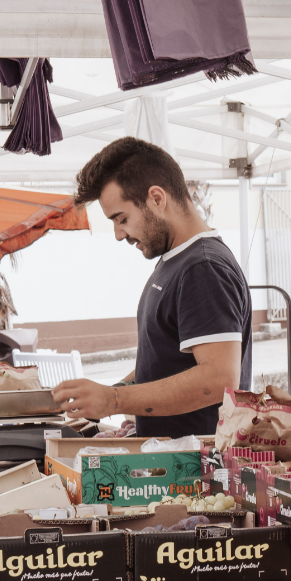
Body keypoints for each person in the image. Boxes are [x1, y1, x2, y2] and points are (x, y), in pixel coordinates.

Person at [50, 136, 250, 437]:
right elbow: (163, 367)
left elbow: (219, 379)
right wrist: (108, 393)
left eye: (122, 219)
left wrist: (113, 400)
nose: (119, 234)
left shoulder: (203, 268)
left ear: (157, 198)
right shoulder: (176, 262)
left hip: (198, 471)